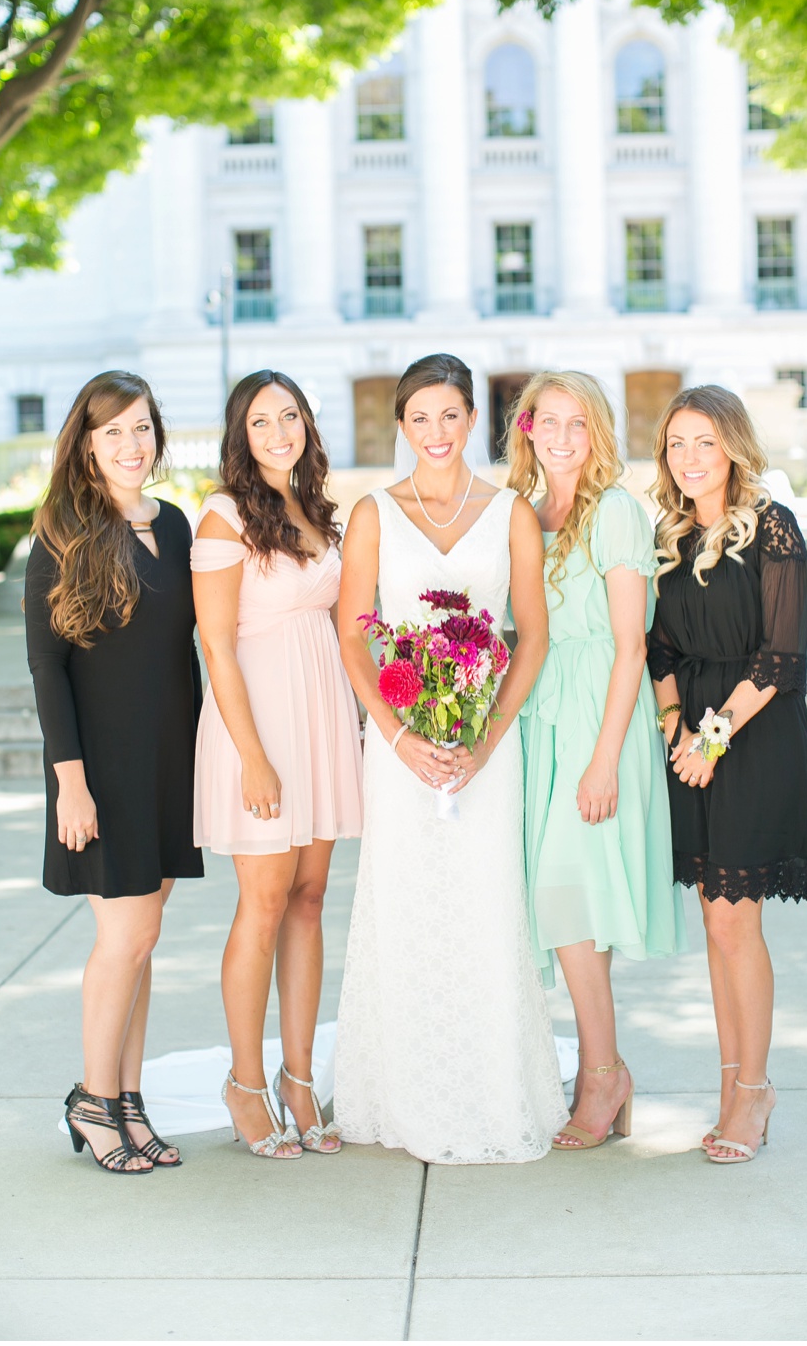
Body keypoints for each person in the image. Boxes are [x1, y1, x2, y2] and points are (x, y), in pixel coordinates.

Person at [332, 354, 565, 1163]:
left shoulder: (511, 514)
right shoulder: (371, 514)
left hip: (483, 749)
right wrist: (396, 737)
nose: (435, 432)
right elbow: (354, 635)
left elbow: (530, 635)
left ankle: (491, 1089)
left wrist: (487, 735)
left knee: (482, 904)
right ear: (402, 426)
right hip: (399, 750)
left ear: (474, 421)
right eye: (419, 418)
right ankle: (399, 1090)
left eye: (450, 415)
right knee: (403, 904)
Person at [27, 371, 202, 1173]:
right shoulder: (62, 534)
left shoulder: (175, 523)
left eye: (141, 428)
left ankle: (128, 1099)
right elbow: (46, 668)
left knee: (146, 938)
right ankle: (93, 1101)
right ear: (86, 444)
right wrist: (70, 779)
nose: (131, 445)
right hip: (101, 766)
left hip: (172, 757)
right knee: (123, 934)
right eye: (113, 432)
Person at [508, 371, 684, 1151]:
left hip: (598, 717)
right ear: (528, 428)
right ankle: (597, 1068)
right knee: (559, 906)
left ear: (598, 432)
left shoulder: (614, 511)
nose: (563, 436)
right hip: (540, 713)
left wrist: (606, 756)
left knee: (568, 893)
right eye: (550, 421)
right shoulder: (524, 512)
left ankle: (603, 1073)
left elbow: (631, 644)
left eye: (578, 423)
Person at [192, 370, 364, 1158]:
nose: (278, 431)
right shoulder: (224, 516)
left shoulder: (316, 509)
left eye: (289, 415)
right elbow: (216, 645)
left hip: (322, 712)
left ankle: (300, 1076)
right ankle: (246, 1081)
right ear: (241, 434)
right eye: (261, 421)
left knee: (309, 898)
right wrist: (253, 758)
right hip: (256, 724)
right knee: (261, 905)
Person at [645, 385, 807, 1166]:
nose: (689, 457)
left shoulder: (773, 527)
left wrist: (713, 736)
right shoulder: (670, 537)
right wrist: (677, 723)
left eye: (704, 441)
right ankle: (730, 1086)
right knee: (715, 922)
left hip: (755, 735)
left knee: (736, 919)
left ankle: (754, 1090)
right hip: (694, 742)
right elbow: (660, 651)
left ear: (734, 447)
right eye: (677, 442)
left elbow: (781, 655)